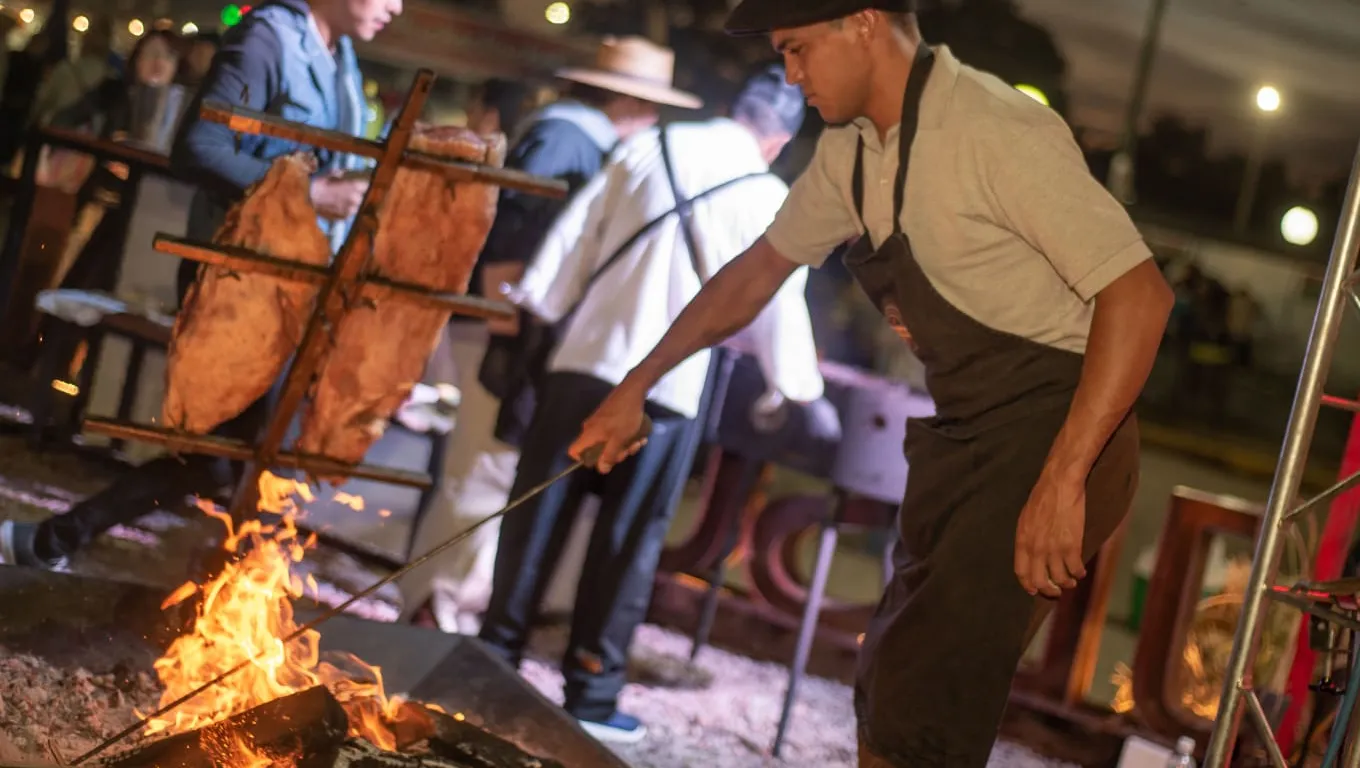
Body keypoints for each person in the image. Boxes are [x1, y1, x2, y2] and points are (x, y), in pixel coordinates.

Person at [569, 2, 1174, 766]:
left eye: (797, 49)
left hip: (1055, 431)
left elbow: (1141, 297)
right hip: (962, 431)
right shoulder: (850, 154)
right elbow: (755, 274)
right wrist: (637, 383)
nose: (789, 74)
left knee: (931, 697)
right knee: (887, 675)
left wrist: (1064, 478)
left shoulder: (994, 128)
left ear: (861, 22)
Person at [477, 63, 834, 744]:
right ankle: (591, 688)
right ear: (779, 141)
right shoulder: (766, 195)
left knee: (537, 516)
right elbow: (774, 303)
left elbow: (578, 233)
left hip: (583, 359)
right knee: (627, 542)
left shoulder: (652, 145)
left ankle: (495, 655)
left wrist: (548, 304)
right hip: (669, 389)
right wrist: (798, 390)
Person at [0, 0, 401, 571]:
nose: (397, 7)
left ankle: (53, 543)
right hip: (239, 283)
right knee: (245, 454)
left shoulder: (344, 59)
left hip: (293, 286)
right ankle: (83, 554)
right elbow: (198, 148)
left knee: (233, 457)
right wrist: (307, 195)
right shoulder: (267, 39)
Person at [398, 37, 698, 634]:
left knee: (486, 473)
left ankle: (440, 610)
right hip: (508, 337)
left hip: (514, 334)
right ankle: (433, 614)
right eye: (648, 105)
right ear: (627, 102)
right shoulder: (569, 136)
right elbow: (510, 227)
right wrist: (507, 327)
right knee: (481, 473)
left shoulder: (577, 136)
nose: (653, 119)